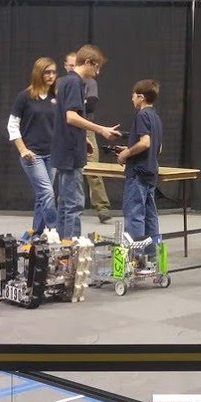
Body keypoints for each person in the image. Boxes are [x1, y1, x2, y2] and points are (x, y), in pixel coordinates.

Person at [52, 45, 121, 240]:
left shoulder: (65, 81)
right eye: (97, 67)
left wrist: (83, 139)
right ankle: (72, 248)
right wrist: (101, 129)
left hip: (65, 148)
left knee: (65, 203)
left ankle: (64, 246)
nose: (97, 73)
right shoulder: (75, 83)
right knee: (74, 203)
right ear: (88, 62)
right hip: (70, 153)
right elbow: (71, 117)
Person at [8, 57, 60, 237]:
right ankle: (54, 230)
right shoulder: (25, 97)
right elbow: (12, 125)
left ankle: (37, 233)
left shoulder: (56, 98)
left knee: (42, 196)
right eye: (47, 72)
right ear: (38, 73)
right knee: (47, 193)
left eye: (54, 72)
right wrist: (23, 150)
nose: (51, 75)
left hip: (52, 155)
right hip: (32, 155)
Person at [115, 79, 164, 255]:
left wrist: (125, 154)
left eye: (133, 96)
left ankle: (136, 258)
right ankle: (151, 256)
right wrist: (129, 147)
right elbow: (158, 147)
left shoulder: (142, 116)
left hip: (137, 173)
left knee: (134, 215)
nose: (132, 99)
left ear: (141, 97)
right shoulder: (156, 118)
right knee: (150, 217)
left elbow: (145, 143)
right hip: (151, 173)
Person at [78, 49, 113, 224]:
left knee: (93, 168)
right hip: (69, 129)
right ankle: (65, 208)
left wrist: (77, 106)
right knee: (67, 170)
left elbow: (90, 105)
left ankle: (102, 207)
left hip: (87, 127)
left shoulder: (90, 82)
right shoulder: (64, 83)